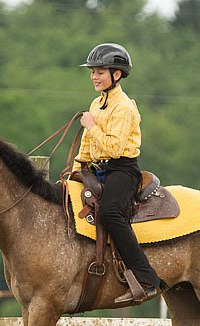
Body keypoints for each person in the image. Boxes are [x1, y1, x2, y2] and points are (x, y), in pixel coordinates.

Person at [72, 43, 163, 305]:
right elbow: (88, 148)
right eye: (92, 72)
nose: (94, 77)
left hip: (122, 169)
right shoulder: (97, 103)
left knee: (110, 212)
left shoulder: (123, 107)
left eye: (100, 71)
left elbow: (113, 147)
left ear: (117, 74)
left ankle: (146, 278)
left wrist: (90, 126)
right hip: (98, 169)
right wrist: (76, 170)